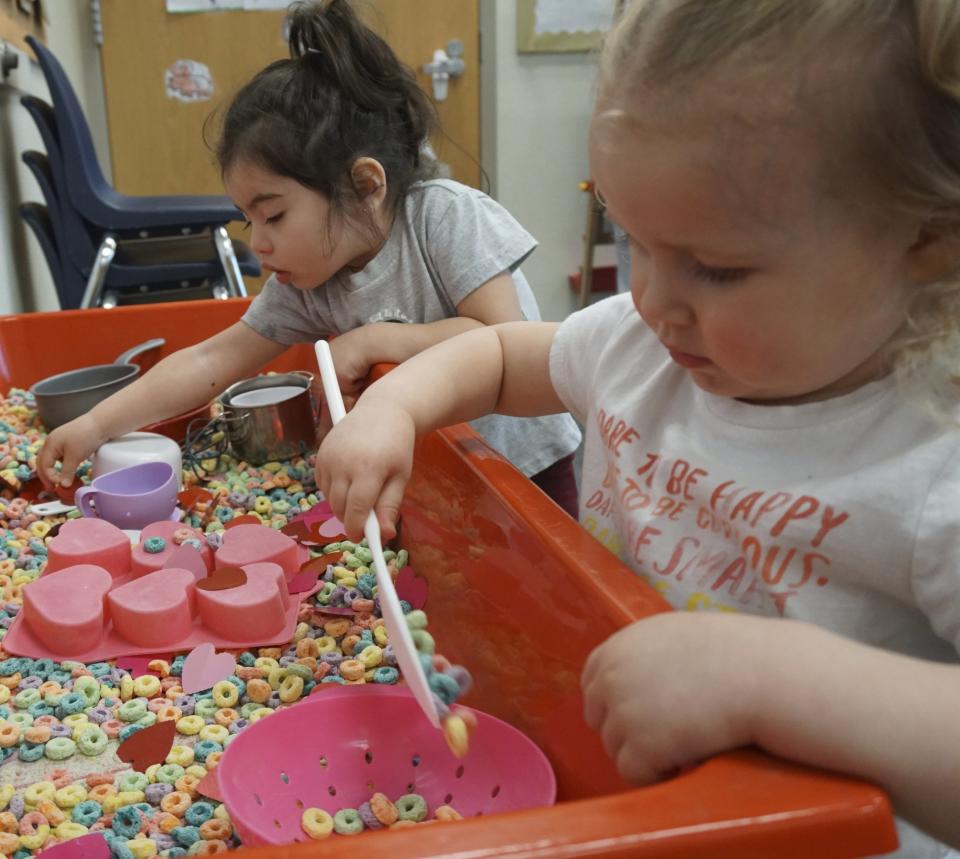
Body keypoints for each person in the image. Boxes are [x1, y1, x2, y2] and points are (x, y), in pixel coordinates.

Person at [314, 1, 960, 853]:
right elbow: (503, 356)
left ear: (930, 239)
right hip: (636, 799)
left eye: (717, 268)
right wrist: (395, 407)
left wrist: (769, 678)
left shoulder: (930, 460)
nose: (652, 297)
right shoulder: (639, 346)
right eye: (633, 238)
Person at [35, 0, 581, 515]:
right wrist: (97, 424)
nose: (260, 243)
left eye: (274, 216)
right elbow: (209, 362)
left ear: (365, 184)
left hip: (522, 467)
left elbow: (502, 337)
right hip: (426, 476)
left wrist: (372, 341)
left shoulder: (445, 217)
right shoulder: (308, 281)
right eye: (250, 221)